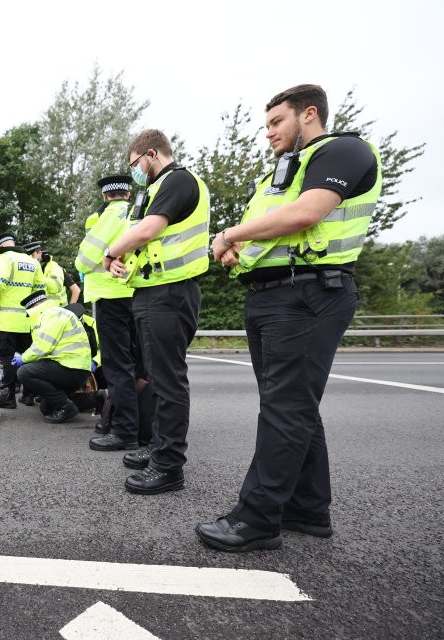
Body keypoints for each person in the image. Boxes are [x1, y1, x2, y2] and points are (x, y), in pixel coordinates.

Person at [197, 85, 382, 552]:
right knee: (294, 408)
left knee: (285, 410)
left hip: (309, 294)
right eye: (267, 126)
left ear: (309, 114)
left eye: (277, 122)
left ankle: (257, 520)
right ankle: (307, 508)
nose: (269, 134)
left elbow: (306, 214)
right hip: (277, 295)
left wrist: (227, 234)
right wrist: (243, 252)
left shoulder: (343, 150)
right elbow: (278, 229)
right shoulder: (288, 169)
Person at [105, 130, 211, 495]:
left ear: (151, 154)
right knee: (158, 376)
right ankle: (159, 450)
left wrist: (110, 253)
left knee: (168, 381)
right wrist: (125, 263)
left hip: (170, 293)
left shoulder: (177, 180)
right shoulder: (160, 186)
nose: (134, 171)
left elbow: (150, 229)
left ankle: (168, 466)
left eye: (135, 164)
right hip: (156, 292)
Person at [75, 176, 144, 453]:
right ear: (128, 193)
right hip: (136, 293)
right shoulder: (140, 211)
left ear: (106, 196)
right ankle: (139, 425)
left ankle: (124, 431)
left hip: (110, 296)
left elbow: (86, 257)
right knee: (138, 363)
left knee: (117, 366)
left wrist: (85, 263)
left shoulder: (112, 214)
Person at [0, 233, 46, 409]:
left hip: (6, 320)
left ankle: (9, 397)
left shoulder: (5, 259)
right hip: (27, 320)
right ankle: (28, 395)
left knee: (6, 359)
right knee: (28, 357)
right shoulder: (32, 261)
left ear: (0, 247)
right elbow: (40, 290)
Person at [13, 292, 92, 423]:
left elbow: (42, 347)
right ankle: (96, 398)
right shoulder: (55, 313)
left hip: (71, 368)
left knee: (24, 372)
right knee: (47, 409)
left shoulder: (51, 315)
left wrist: (23, 358)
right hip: (73, 368)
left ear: (36, 306)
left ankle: (65, 407)